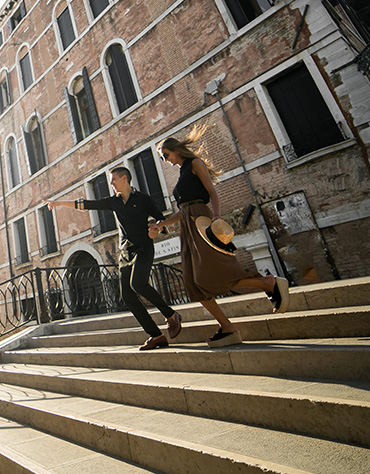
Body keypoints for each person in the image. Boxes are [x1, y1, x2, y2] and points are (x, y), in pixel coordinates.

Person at [148, 126, 290, 348]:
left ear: (175, 150)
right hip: (188, 224)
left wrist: (217, 217)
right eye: (162, 157)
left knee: (215, 273)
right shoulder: (182, 173)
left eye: (165, 155)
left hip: (201, 222)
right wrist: (161, 224)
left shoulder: (195, 164)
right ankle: (228, 327)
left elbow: (211, 192)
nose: (165, 160)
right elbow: (183, 210)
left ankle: (268, 283)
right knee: (194, 282)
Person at [45, 166, 182, 351]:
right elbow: (87, 204)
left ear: (124, 179)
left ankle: (171, 315)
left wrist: (156, 230)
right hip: (125, 252)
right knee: (127, 295)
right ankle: (156, 335)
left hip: (143, 249)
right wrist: (59, 203)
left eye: (113, 179)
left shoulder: (143, 199)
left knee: (138, 283)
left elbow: (161, 220)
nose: (111, 184)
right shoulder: (113, 202)